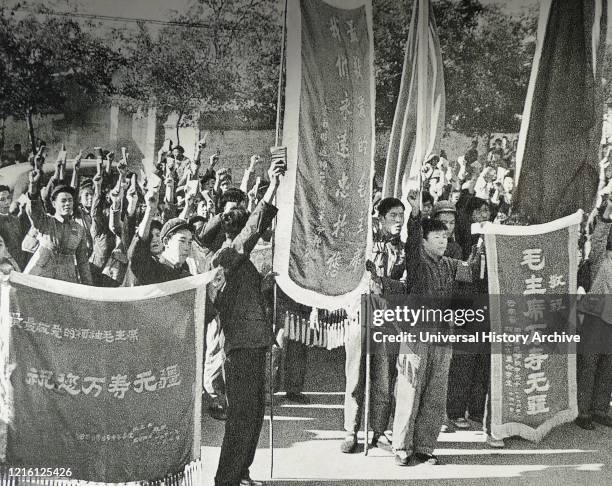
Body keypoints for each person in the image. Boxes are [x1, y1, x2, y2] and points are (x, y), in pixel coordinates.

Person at [392, 190, 481, 466]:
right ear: (426, 241)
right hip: (415, 335)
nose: (443, 241)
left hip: (442, 335)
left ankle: (425, 447)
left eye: (445, 237)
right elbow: (411, 243)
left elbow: (472, 271)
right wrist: (416, 214)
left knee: (435, 392)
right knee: (409, 390)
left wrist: (481, 244)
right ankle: (401, 447)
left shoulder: (449, 264)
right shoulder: (418, 262)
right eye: (437, 237)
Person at [213, 155, 285, 486]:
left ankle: (241, 473)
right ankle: (226, 479)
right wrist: (270, 191)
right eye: (231, 226)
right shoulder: (224, 259)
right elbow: (253, 231)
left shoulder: (242, 264)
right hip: (239, 349)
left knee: (254, 417)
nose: (238, 231)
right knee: (241, 417)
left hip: (257, 342)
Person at [341, 197, 406, 454]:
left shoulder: (403, 250)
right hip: (360, 314)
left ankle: (379, 431)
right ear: (380, 219)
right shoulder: (363, 245)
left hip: (387, 319)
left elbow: (407, 285)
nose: (398, 221)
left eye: (401, 215)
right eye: (393, 216)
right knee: (355, 377)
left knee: (383, 379)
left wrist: (385, 285)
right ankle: (351, 430)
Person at [575, 194, 612, 429]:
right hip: (595, 315)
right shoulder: (600, 258)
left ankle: (600, 408)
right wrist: (607, 215)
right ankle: (583, 411)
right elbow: (599, 236)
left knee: (609, 363)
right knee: (590, 362)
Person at [24, 170, 93, 285]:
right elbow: (34, 209)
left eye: (70, 200)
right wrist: (32, 186)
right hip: (40, 277)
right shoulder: (45, 222)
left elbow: (83, 262)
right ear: (54, 204)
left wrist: (88, 287)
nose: (67, 204)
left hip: (66, 279)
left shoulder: (79, 229)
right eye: (63, 201)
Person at [0, 184, 29, 269]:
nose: (7, 202)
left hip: (22, 262)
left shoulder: (15, 219)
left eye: (9, 198)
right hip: (7, 265)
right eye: (2, 199)